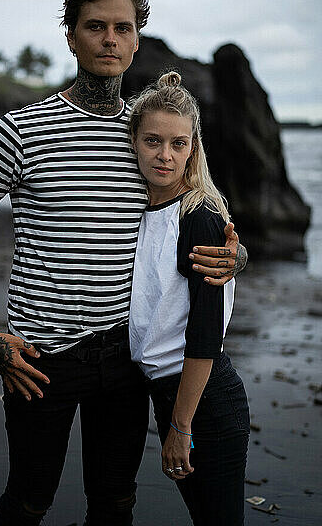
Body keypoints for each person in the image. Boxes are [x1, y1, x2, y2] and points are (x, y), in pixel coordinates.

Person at [0, 0, 247, 525]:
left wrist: (235, 256)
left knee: (115, 503)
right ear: (71, 35)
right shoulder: (21, 131)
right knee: (29, 500)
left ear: (136, 40)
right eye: (94, 27)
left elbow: (195, 212)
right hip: (39, 358)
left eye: (122, 28)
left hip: (124, 359)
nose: (109, 39)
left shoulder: (147, 132)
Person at [128, 71, 250, 525]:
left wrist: (180, 427)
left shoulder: (198, 215)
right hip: (165, 391)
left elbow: (204, 335)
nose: (165, 155)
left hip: (204, 401)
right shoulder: (140, 207)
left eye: (178, 144)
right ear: (134, 141)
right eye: (153, 141)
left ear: (192, 148)